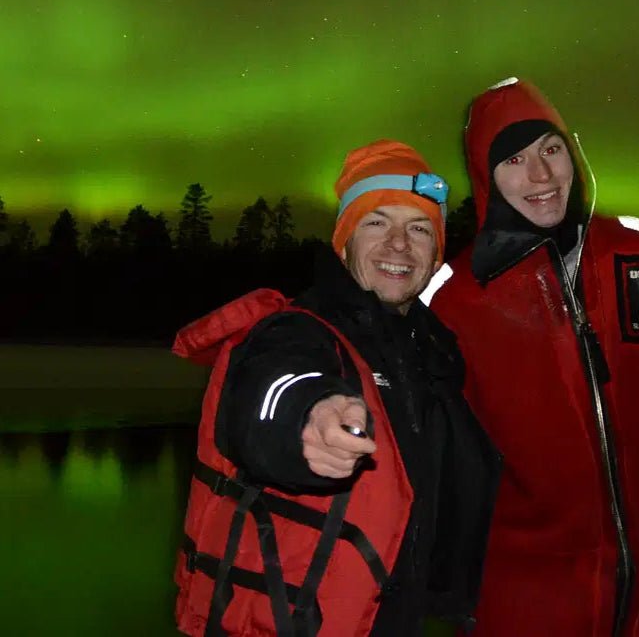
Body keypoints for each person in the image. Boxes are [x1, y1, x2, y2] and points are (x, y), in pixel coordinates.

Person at [173, 140, 500, 637]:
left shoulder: (437, 355)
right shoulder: (296, 330)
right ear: (343, 241)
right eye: (376, 223)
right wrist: (307, 418)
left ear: (435, 255)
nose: (398, 244)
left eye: (418, 229)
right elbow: (276, 385)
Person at [428, 77, 639, 636]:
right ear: (485, 175)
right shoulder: (454, 298)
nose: (541, 176)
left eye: (551, 150)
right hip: (529, 603)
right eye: (514, 158)